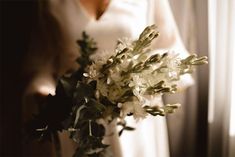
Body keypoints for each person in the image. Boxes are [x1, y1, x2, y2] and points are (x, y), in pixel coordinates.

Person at [22, 0, 194, 156]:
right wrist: (44, 94)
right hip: (76, 122)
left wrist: (136, 81)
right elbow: (41, 65)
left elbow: (172, 51)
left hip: (133, 123)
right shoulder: (49, 3)